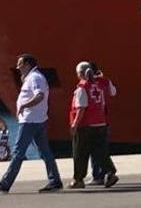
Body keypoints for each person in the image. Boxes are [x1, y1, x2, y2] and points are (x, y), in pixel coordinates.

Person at [0, 54, 63, 194]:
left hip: (30, 121)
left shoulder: (35, 78)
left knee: (18, 152)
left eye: (20, 63)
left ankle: (5, 183)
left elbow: (39, 95)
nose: (18, 67)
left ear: (28, 64)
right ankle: (55, 180)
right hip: (37, 120)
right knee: (45, 152)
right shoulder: (32, 78)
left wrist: (24, 106)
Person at [69, 62, 119, 189]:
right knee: (100, 152)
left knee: (80, 153)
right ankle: (110, 172)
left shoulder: (82, 88)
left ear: (80, 73)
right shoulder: (101, 84)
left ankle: (78, 179)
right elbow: (113, 92)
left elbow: (81, 108)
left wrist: (74, 125)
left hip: (85, 126)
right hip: (101, 123)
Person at [88, 62, 117, 185]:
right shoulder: (105, 81)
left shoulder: (88, 83)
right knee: (102, 148)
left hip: (92, 121)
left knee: (93, 149)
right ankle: (106, 172)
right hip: (104, 119)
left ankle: (98, 176)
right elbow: (113, 92)